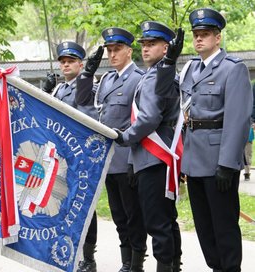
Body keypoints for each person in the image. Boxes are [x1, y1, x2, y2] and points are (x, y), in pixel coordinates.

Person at [156, 8, 253, 272]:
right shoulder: (189, 69)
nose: (199, 39)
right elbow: (164, 95)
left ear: (217, 37)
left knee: (224, 227)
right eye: (196, 35)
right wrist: (168, 62)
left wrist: (228, 163)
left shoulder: (233, 70)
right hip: (193, 161)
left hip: (218, 160)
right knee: (204, 228)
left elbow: (238, 119)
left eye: (205, 34)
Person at [114, 21, 184, 272]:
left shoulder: (159, 76)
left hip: (156, 157)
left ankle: (167, 267)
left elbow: (149, 118)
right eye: (143, 44)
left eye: (151, 44)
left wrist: (125, 137)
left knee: (157, 222)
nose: (145, 49)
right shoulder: (152, 75)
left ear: (166, 48)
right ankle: (173, 266)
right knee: (165, 219)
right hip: (149, 158)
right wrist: (133, 159)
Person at [76, 27, 148, 272]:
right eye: (109, 50)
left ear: (129, 51)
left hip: (128, 157)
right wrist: (87, 72)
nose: (112, 54)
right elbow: (84, 101)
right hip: (108, 160)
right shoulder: (107, 79)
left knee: (132, 215)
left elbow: (139, 121)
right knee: (118, 215)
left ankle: (136, 264)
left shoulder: (139, 78)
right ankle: (126, 262)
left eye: (117, 49)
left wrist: (132, 161)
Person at [42, 41, 98, 272]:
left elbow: (84, 117)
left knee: (84, 206)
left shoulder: (87, 87)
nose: (65, 65)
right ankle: (66, 251)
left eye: (70, 61)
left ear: (80, 64)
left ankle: (88, 257)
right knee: (62, 204)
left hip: (79, 158)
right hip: (60, 158)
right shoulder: (60, 89)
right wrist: (45, 92)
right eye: (62, 62)